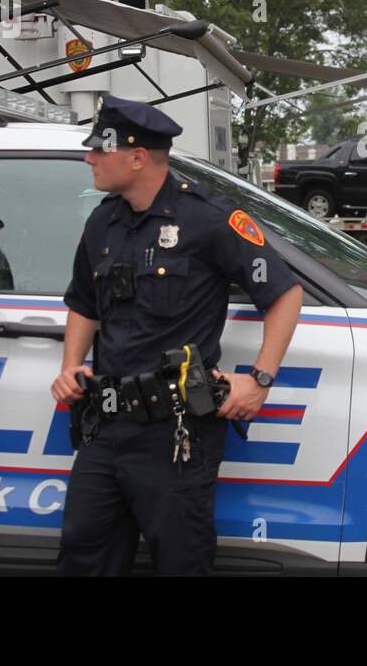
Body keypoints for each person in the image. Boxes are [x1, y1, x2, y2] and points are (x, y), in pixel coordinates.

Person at [51, 95, 303, 575]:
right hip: (104, 427)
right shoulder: (102, 220)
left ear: (137, 157)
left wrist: (261, 378)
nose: (89, 158)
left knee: (181, 562)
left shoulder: (208, 218)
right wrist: (70, 366)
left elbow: (284, 292)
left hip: (175, 432)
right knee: (83, 555)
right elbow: (84, 302)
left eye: (99, 150)